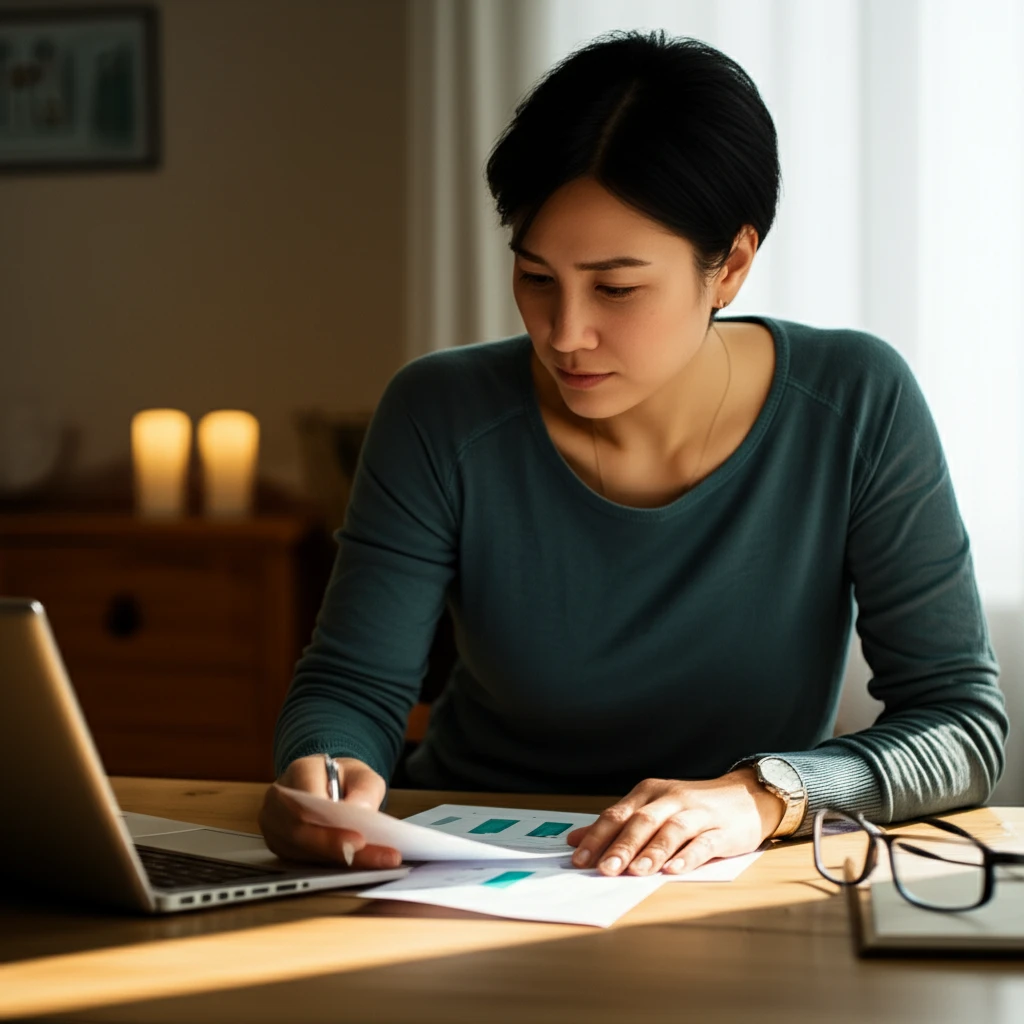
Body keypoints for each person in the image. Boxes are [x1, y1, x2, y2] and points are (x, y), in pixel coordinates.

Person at [259, 30, 1008, 879]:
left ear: (729, 266)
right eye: (537, 277)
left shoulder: (856, 403)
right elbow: (353, 687)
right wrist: (322, 772)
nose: (564, 334)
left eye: (616, 288)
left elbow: (959, 724)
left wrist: (762, 796)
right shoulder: (439, 411)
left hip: (729, 879)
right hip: (463, 862)